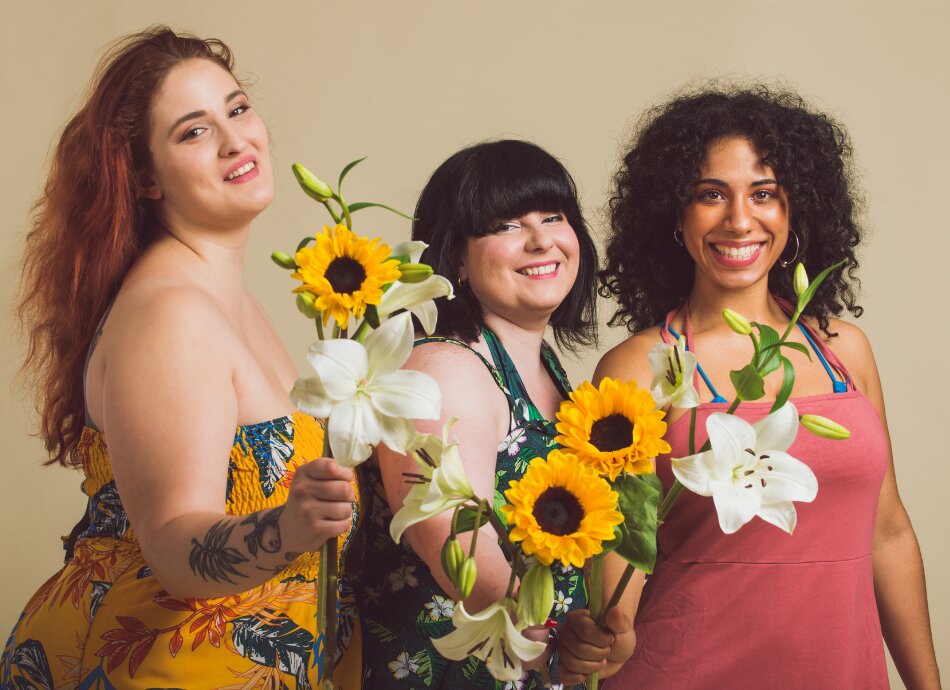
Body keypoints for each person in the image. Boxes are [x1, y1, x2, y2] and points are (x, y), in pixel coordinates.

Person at [1, 27, 358, 689]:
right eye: (193, 131)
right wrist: (286, 527)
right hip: (154, 666)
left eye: (237, 108)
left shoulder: (226, 300)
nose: (234, 140)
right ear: (145, 179)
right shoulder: (171, 315)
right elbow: (171, 544)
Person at [561, 86, 941, 688]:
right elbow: (623, 550)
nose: (740, 219)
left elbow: (888, 531)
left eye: (763, 193)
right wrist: (604, 633)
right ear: (674, 214)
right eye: (710, 195)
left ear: (797, 209)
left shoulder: (844, 350)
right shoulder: (635, 368)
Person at [343, 139, 603, 688]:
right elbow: (457, 544)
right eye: (505, 226)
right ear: (455, 257)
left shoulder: (547, 368)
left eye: (553, 216)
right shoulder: (443, 367)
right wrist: (550, 644)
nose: (540, 241)